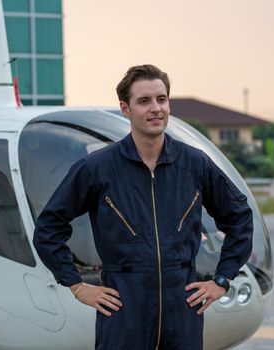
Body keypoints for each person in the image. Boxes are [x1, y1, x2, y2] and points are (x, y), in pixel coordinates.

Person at [33, 64, 253, 350]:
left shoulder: (195, 164)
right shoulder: (97, 168)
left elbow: (240, 218)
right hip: (124, 307)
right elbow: (49, 227)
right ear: (126, 109)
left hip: (183, 307)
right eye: (144, 101)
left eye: (161, 99)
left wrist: (221, 279)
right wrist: (76, 285)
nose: (156, 109)